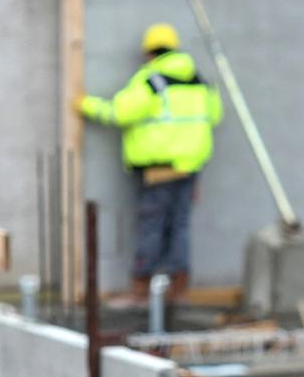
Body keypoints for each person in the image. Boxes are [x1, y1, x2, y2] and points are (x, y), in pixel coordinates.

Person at [78, 22, 222, 303]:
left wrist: (85, 105)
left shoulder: (152, 82)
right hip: (190, 165)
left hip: (159, 168)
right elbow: (214, 115)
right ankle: (178, 288)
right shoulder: (199, 80)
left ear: (149, 53)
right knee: (179, 225)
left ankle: (141, 288)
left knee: (151, 225)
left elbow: (121, 112)